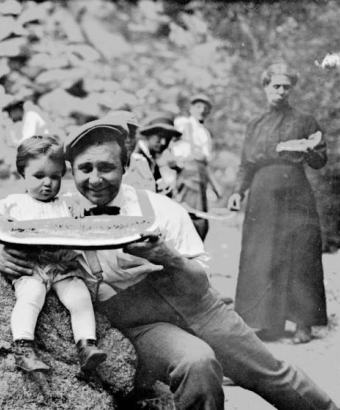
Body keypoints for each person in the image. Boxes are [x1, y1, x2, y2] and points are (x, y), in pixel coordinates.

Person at [0, 118, 339, 410]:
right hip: (143, 320)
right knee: (197, 363)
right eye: (84, 169)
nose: (95, 179)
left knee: (270, 374)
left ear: (125, 165)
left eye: (106, 167)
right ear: (70, 172)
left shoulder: (162, 210)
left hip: (198, 306)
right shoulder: (62, 209)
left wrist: (166, 256)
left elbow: (201, 283)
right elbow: (9, 223)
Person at [0, 135, 107, 373]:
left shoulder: (67, 203)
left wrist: (79, 212)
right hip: (30, 266)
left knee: (80, 297)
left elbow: (83, 225)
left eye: (55, 176)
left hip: (62, 266)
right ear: (23, 174)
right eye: (39, 176)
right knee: (31, 296)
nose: (48, 183)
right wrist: (1, 223)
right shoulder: (14, 203)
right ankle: (23, 348)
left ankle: (87, 345)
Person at [227, 63, 328, 344]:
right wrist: (238, 191)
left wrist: (309, 150)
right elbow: (246, 164)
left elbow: (320, 161)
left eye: (286, 86)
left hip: (296, 192)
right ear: (265, 88)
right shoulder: (256, 124)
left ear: (292, 89)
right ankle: (265, 322)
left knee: (301, 253)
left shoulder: (306, 121)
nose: (281, 92)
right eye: (275, 86)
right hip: (261, 195)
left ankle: (303, 323)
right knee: (261, 254)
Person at [173, 94, 222, 240]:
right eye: (198, 107)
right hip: (185, 171)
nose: (202, 110)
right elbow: (171, 143)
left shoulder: (205, 133)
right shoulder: (182, 122)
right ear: (191, 108)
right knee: (190, 215)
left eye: (205, 108)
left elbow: (205, 162)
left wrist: (215, 186)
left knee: (200, 218)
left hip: (200, 174)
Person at [128, 113, 179, 196]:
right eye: (159, 137)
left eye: (168, 139)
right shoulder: (135, 159)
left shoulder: (153, 160)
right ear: (148, 134)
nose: (163, 142)